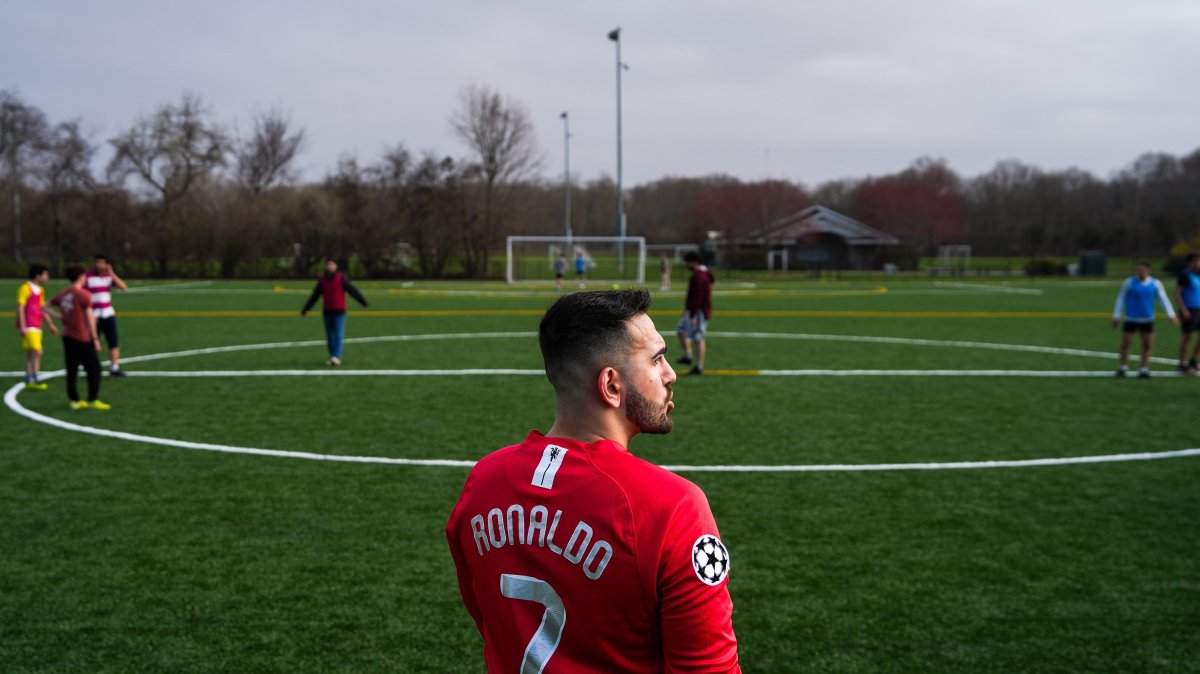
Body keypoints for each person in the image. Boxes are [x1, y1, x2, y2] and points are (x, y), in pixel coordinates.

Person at [446, 290, 740, 673]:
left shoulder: (483, 482)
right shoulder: (672, 506)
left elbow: (487, 619)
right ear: (611, 386)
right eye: (656, 359)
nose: (670, 374)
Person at [50, 265, 110, 410]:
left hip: (67, 335)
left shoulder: (64, 293)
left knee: (72, 368)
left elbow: (45, 306)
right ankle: (93, 399)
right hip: (81, 336)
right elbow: (90, 317)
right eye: (84, 276)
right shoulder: (84, 294)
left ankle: (75, 400)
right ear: (79, 277)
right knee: (95, 367)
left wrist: (60, 317)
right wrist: (95, 338)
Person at [1112, 261, 1178, 378]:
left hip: (1147, 319)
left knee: (1147, 345)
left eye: (1142, 270)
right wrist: (1116, 316)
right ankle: (1123, 368)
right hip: (1131, 318)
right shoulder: (1129, 283)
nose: (1140, 272)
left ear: (1149, 271)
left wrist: (1171, 314)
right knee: (1125, 344)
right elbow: (1121, 298)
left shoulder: (1155, 284)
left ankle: (1144, 369)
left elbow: (1163, 299)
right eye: (1138, 270)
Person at [300, 258, 369, 366]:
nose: (330, 266)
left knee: (337, 334)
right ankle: (333, 356)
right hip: (327, 312)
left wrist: (363, 302)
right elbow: (314, 296)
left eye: (332, 264)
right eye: (328, 264)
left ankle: (336, 356)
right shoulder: (322, 281)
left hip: (339, 312)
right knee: (329, 335)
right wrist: (305, 309)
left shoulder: (342, 278)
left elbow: (353, 291)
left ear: (336, 266)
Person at [16, 263, 59, 390]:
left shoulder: (40, 290)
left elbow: (42, 308)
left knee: (31, 353)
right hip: (29, 325)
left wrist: (50, 324)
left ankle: (31, 378)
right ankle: (34, 377)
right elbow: (20, 307)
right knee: (37, 351)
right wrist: (22, 325)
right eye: (45, 274)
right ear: (37, 275)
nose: (47, 277)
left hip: (37, 324)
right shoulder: (25, 288)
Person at [86, 253, 129, 377]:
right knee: (92, 343)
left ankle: (114, 368)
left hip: (108, 314)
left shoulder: (108, 276)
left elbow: (123, 287)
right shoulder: (88, 276)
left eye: (101, 262)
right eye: (96, 262)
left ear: (106, 264)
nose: (98, 265)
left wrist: (112, 273)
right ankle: (92, 366)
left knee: (113, 342)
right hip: (94, 315)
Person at [676, 251, 715, 376]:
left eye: (687, 262)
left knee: (698, 337)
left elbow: (698, 297)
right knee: (681, 330)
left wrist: (693, 314)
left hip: (699, 311)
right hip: (694, 310)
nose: (686, 265)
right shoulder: (704, 274)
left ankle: (699, 366)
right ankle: (688, 355)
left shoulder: (699, 276)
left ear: (694, 262)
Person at [1174, 252, 1200, 375]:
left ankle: (1193, 359)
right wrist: (1183, 309)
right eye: (1195, 261)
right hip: (1190, 310)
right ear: (1189, 262)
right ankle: (1182, 363)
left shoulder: (1198, 276)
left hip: (1199, 309)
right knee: (1187, 337)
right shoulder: (1185, 276)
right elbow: (1177, 293)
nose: (1197, 263)